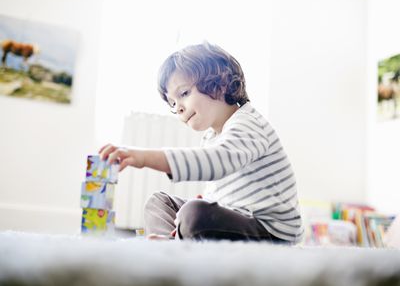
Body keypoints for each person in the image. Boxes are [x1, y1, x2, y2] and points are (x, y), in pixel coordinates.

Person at [99, 42, 303, 244]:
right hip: (237, 222)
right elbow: (219, 189)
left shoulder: (248, 123)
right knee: (159, 202)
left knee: (194, 214)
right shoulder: (211, 136)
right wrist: (206, 200)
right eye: (173, 103)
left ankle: (176, 244)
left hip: (271, 233)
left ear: (219, 84)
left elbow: (217, 161)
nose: (178, 107)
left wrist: (143, 157)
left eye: (184, 93)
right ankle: (171, 243)